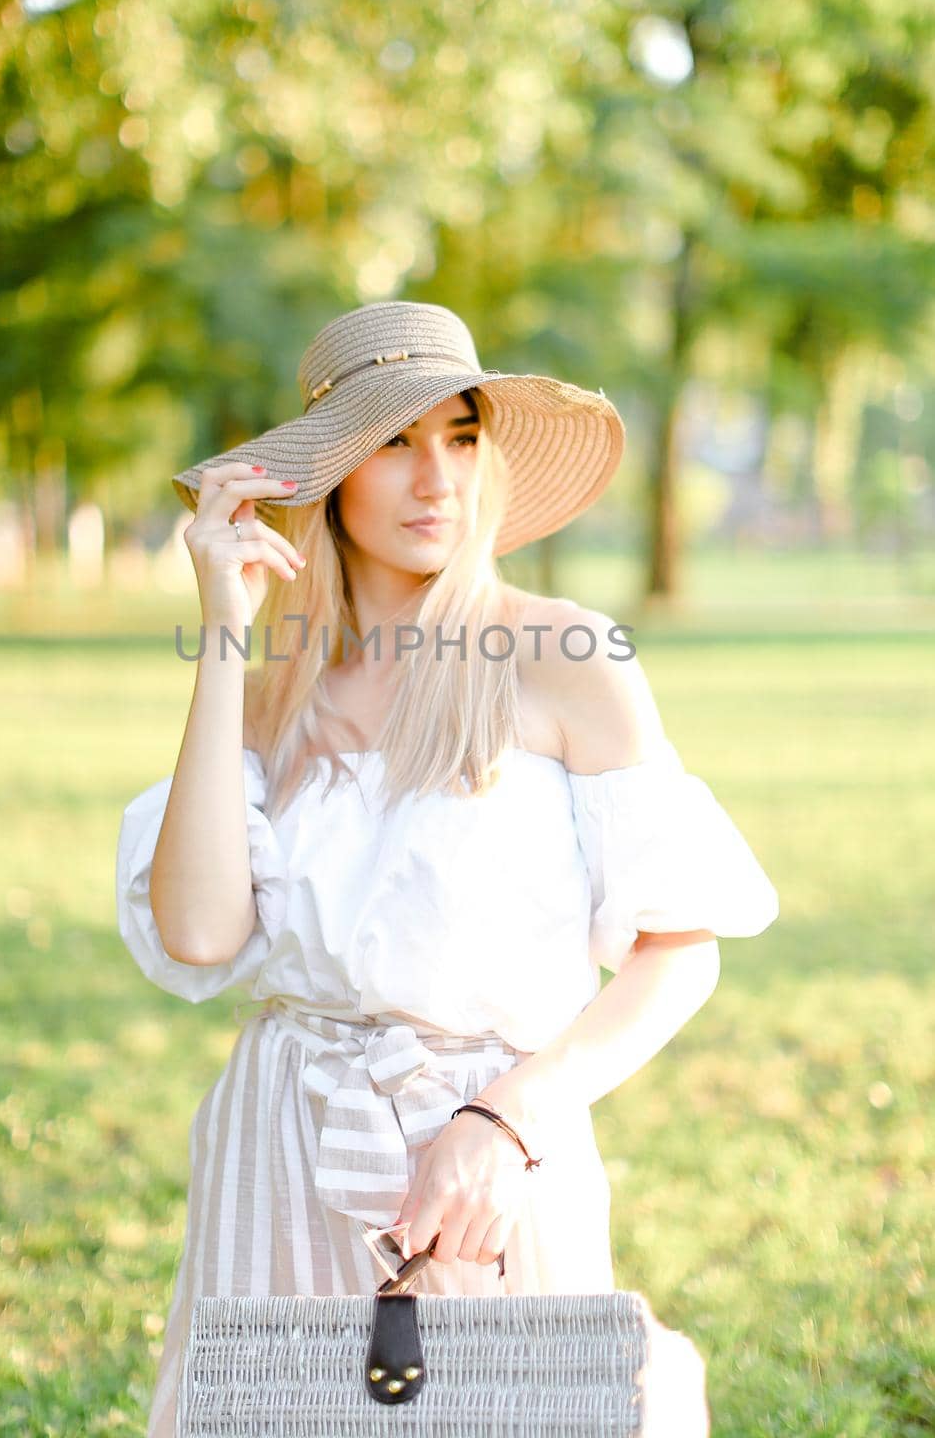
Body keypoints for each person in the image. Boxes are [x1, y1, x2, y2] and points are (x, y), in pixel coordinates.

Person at [115, 300, 779, 1437]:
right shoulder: (272, 680)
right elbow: (199, 931)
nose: (438, 478)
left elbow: (679, 953)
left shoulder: (564, 657)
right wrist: (227, 632)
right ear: (328, 473)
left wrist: (504, 1121)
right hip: (282, 1141)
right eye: (394, 441)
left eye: (461, 437)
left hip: (485, 1151)